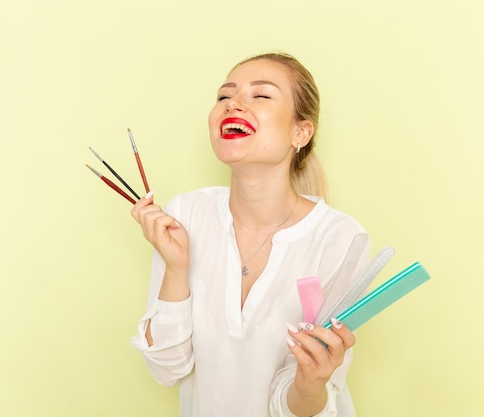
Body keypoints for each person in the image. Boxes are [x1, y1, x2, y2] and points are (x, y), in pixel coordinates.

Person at [130, 52, 370, 417]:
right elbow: (167, 369)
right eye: (224, 96)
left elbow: (297, 405)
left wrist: (310, 386)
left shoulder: (341, 239)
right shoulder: (185, 215)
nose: (233, 104)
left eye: (261, 95)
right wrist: (177, 268)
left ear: (300, 132)